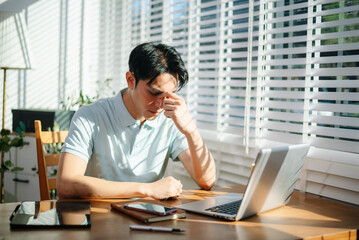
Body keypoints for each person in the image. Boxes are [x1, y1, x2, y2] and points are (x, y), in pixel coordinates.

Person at [57, 42, 216, 200]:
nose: (161, 105)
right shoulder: (90, 116)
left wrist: (190, 129)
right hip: (99, 219)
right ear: (130, 80)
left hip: (147, 219)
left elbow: (207, 181)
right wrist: (147, 189)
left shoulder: (169, 119)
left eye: (170, 95)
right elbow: (66, 184)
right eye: (154, 93)